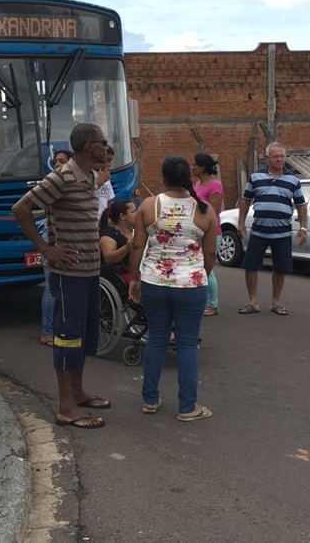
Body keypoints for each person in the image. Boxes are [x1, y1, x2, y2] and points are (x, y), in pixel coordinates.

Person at [13, 123, 111, 430]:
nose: (105, 148)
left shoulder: (88, 176)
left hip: (89, 271)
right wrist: (46, 249)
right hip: (69, 275)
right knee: (68, 338)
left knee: (82, 337)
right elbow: (21, 209)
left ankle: (78, 392)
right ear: (87, 147)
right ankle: (66, 407)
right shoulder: (63, 176)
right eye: (101, 143)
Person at [127, 156, 217, 422]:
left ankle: (150, 400)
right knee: (187, 344)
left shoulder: (148, 205)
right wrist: (200, 274)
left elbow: (137, 247)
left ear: (163, 178)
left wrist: (134, 277)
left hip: (154, 282)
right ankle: (188, 407)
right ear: (188, 178)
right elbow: (210, 252)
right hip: (190, 284)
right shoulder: (204, 210)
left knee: (156, 339)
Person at [236, 142, 307, 316]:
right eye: (276, 156)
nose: (279, 159)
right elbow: (245, 200)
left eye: (282, 156)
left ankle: (276, 302)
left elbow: (301, 205)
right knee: (251, 265)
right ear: (267, 157)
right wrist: (240, 222)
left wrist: (304, 227)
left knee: (281, 268)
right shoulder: (256, 177)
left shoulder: (293, 180)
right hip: (259, 230)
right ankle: (253, 301)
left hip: (282, 232)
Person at [39, 149, 72, 347]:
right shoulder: (51, 183)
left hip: (68, 238)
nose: (58, 164)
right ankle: (47, 331)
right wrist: (44, 248)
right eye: (56, 161)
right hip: (52, 239)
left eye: (62, 161)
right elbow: (21, 208)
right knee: (51, 288)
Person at [192, 153, 225, 316]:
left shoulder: (215, 186)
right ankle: (202, 301)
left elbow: (214, 211)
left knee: (208, 268)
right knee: (199, 267)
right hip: (197, 231)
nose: (193, 168)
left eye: (195, 165)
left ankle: (213, 303)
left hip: (211, 232)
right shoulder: (197, 184)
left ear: (203, 167)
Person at [99, 200, 135, 279]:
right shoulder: (108, 235)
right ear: (122, 216)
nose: (137, 214)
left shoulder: (137, 231)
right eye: (133, 212)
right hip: (118, 275)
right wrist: (127, 247)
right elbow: (109, 259)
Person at [94, 144, 116, 220]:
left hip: (102, 221)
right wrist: (100, 182)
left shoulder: (106, 178)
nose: (109, 164)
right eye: (107, 160)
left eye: (111, 161)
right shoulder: (88, 174)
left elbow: (109, 201)